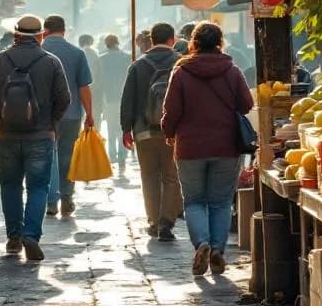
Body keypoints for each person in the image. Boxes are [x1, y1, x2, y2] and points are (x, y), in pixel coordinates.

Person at [161, 21, 254, 276]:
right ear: (219, 42)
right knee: (221, 202)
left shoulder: (181, 72)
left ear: (193, 42)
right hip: (226, 146)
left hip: (190, 147)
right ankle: (217, 249)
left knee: (194, 201)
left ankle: (201, 243)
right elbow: (247, 104)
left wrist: (169, 134)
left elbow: (171, 111)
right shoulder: (232, 70)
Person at [0, 16, 71, 262]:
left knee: (9, 186)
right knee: (38, 187)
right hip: (41, 136)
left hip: (7, 135)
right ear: (40, 36)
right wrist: (51, 123)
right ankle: (31, 235)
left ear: (15, 35)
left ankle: (13, 238)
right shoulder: (51, 62)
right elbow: (64, 99)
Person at [120, 22, 183, 241]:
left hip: (143, 130)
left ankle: (154, 221)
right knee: (171, 177)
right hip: (173, 131)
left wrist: (125, 129)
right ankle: (167, 222)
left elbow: (127, 100)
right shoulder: (180, 63)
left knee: (149, 177)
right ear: (172, 40)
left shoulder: (138, 65)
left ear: (151, 40)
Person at [40, 15, 94, 218]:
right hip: (71, 114)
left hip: (43, 117)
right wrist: (89, 113)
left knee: (46, 156)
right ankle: (67, 197)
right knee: (66, 156)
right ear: (64, 30)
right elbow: (84, 87)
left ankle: (50, 201)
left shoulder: (38, 51)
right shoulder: (77, 53)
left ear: (45, 30)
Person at [96, 34, 132, 169]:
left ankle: (112, 156)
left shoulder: (101, 59)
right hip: (126, 98)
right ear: (117, 42)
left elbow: (98, 81)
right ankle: (123, 155)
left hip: (108, 98)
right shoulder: (127, 57)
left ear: (106, 44)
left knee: (111, 129)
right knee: (123, 127)